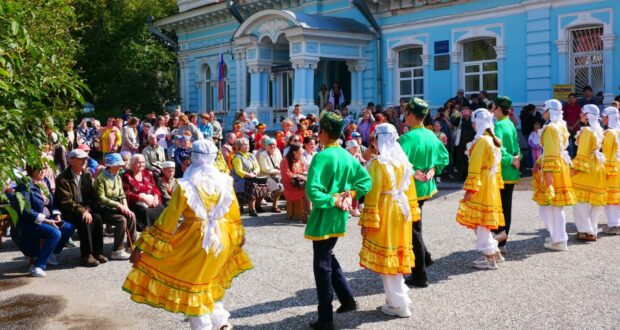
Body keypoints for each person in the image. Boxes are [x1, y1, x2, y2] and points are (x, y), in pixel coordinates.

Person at [123, 139, 253, 330]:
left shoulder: (185, 185)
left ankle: (204, 327)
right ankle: (220, 321)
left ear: (193, 157)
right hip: (222, 236)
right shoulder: (225, 180)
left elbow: (168, 219)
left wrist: (142, 247)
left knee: (194, 285)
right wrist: (239, 236)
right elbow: (233, 213)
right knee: (210, 279)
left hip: (196, 238)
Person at [305, 111, 372, 330]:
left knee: (321, 265)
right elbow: (365, 181)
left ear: (323, 133)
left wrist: (333, 199)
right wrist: (350, 195)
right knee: (328, 255)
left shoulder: (321, 156)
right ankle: (347, 299)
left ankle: (326, 318)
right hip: (340, 216)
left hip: (324, 216)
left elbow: (313, 191)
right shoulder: (345, 155)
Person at [359, 123, 420, 317]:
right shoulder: (402, 161)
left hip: (386, 210)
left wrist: (368, 222)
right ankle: (400, 296)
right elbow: (410, 189)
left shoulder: (378, 164)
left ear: (379, 140)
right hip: (401, 210)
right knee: (397, 253)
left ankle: (398, 304)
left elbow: (373, 194)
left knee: (388, 256)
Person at [399, 98, 449, 288]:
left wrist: (413, 172)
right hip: (426, 187)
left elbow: (398, 165)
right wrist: (434, 170)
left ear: (411, 115)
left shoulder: (405, 139)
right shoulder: (431, 135)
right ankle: (425, 257)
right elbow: (444, 157)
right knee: (416, 225)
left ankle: (420, 274)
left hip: (411, 189)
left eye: (406, 113)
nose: (405, 116)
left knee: (414, 230)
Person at [456, 108, 505, 269]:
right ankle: (494, 252)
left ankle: (489, 257)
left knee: (481, 221)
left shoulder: (483, 141)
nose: (472, 124)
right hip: (489, 183)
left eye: (474, 121)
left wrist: (470, 189)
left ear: (478, 122)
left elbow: (475, 167)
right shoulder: (494, 140)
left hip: (482, 183)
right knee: (483, 220)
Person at [12, 162, 75, 277]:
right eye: (39, 168)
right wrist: (47, 221)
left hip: (48, 217)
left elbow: (53, 202)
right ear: (31, 169)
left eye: (45, 168)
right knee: (54, 233)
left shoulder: (44, 181)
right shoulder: (24, 185)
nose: (43, 171)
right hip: (31, 221)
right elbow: (25, 210)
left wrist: (57, 216)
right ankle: (38, 265)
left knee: (68, 227)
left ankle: (51, 253)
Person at [532, 99, 576, 251]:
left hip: (554, 168)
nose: (542, 113)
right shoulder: (561, 125)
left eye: (544, 110)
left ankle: (559, 239)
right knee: (555, 206)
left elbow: (550, 152)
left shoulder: (551, 128)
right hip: (560, 165)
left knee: (551, 206)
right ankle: (557, 236)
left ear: (549, 111)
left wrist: (548, 175)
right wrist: (539, 161)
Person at [55, 149, 107, 267]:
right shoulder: (62, 178)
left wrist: (88, 207)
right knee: (85, 221)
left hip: (85, 208)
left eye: (85, 159)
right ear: (71, 161)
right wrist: (83, 211)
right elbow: (66, 201)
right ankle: (86, 255)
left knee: (97, 218)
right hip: (70, 210)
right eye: (81, 159)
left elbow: (92, 195)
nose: (84, 161)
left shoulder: (86, 174)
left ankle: (97, 252)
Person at [571, 104, 607, 242]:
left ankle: (585, 231)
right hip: (597, 167)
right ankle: (592, 230)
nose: (580, 115)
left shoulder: (587, 131)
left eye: (582, 113)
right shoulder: (598, 129)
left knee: (580, 202)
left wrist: (573, 170)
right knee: (593, 203)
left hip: (587, 168)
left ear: (588, 115)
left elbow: (582, 154)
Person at [491, 97, 521, 254]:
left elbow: (498, 149)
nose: (492, 110)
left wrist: (510, 159)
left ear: (499, 109)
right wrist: (516, 159)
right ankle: (502, 243)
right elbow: (516, 147)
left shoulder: (498, 125)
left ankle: (498, 241)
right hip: (512, 171)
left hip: (502, 172)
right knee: (506, 207)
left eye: (494, 107)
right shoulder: (510, 124)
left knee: (499, 208)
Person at [94, 153, 137, 260]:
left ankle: (132, 246)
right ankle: (117, 250)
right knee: (121, 220)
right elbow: (101, 198)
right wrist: (118, 205)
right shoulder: (100, 178)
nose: (121, 167)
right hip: (103, 209)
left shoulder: (117, 177)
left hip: (116, 207)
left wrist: (126, 207)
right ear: (111, 165)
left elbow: (122, 195)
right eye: (118, 165)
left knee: (131, 215)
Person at [122, 154, 165, 229]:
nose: (141, 164)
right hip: (136, 202)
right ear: (132, 163)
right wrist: (142, 199)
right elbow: (127, 193)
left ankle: (159, 231)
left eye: (143, 162)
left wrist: (155, 198)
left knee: (161, 207)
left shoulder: (148, 173)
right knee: (146, 212)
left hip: (150, 200)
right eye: (138, 162)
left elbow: (154, 187)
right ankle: (147, 234)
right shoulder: (127, 175)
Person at [232, 138, 267, 216]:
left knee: (264, 186)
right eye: (244, 145)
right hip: (241, 179)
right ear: (239, 146)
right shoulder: (237, 157)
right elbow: (239, 171)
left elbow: (257, 167)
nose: (246, 146)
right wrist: (249, 175)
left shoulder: (251, 155)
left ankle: (257, 205)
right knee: (253, 186)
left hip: (252, 177)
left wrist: (254, 173)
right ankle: (252, 209)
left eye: (247, 144)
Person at [601, 106, 620, 235]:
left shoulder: (609, 133)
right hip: (618, 165)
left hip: (611, 166)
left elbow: (606, 153)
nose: (602, 119)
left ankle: (615, 225)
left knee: (611, 196)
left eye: (604, 117)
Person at [281, 144, 309, 222]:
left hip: (300, 184)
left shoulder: (299, 159)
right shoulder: (285, 161)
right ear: (294, 152)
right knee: (308, 191)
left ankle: (308, 212)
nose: (301, 154)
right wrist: (297, 176)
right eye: (300, 152)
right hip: (291, 187)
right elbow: (287, 174)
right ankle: (307, 213)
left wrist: (303, 174)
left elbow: (304, 169)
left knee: (311, 190)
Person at [257, 138, 284, 213]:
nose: (272, 146)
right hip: (266, 176)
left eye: (274, 144)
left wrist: (280, 171)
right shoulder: (262, 154)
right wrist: (279, 171)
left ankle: (277, 205)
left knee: (287, 184)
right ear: (266, 146)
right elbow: (265, 169)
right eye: (270, 145)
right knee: (280, 187)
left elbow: (281, 163)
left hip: (277, 175)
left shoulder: (277, 152)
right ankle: (271, 206)